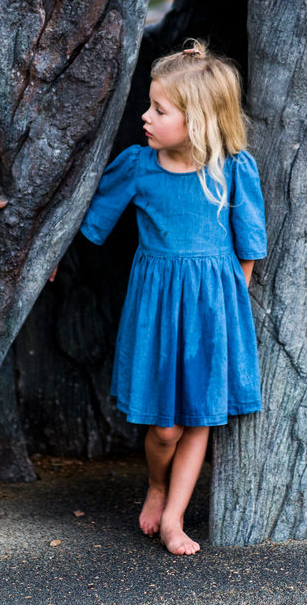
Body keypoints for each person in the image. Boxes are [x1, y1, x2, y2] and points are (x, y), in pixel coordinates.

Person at [79, 40, 266, 555]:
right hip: (158, 310)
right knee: (164, 428)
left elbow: (249, 243)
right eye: (149, 105)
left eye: (159, 109)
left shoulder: (231, 169)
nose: (145, 116)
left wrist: (232, 300)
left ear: (199, 118)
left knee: (201, 417)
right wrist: (51, 261)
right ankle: (157, 484)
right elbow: (92, 223)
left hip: (213, 312)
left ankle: (174, 520)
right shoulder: (139, 166)